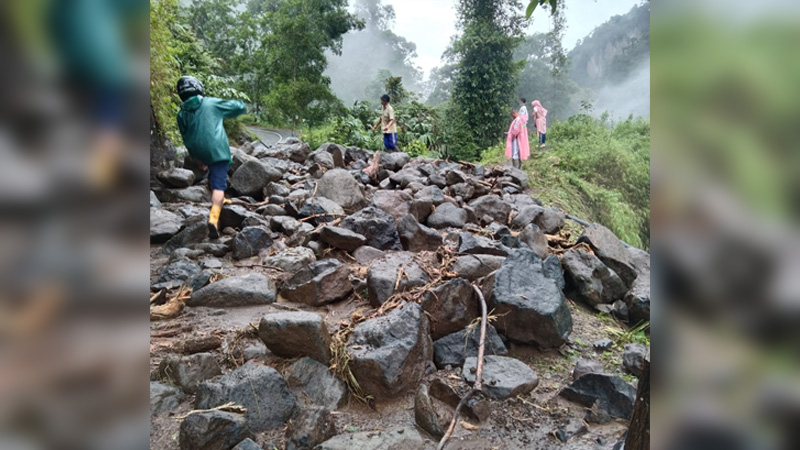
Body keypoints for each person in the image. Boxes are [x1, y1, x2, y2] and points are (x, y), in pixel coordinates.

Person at [176, 76, 246, 238]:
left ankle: (219, 198)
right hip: (217, 150)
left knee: (213, 175)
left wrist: (197, 157)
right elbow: (236, 107)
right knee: (219, 185)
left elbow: (185, 137)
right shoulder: (209, 103)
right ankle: (214, 218)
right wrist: (241, 106)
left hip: (197, 150)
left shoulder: (181, 114)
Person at [364, 94, 397, 179]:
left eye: (382, 100)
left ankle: (399, 156)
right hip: (385, 130)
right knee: (387, 145)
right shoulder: (383, 108)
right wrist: (376, 125)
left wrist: (387, 126)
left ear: (385, 101)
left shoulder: (390, 109)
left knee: (393, 144)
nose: (381, 101)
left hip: (391, 130)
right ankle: (391, 160)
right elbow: (381, 118)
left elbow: (392, 120)